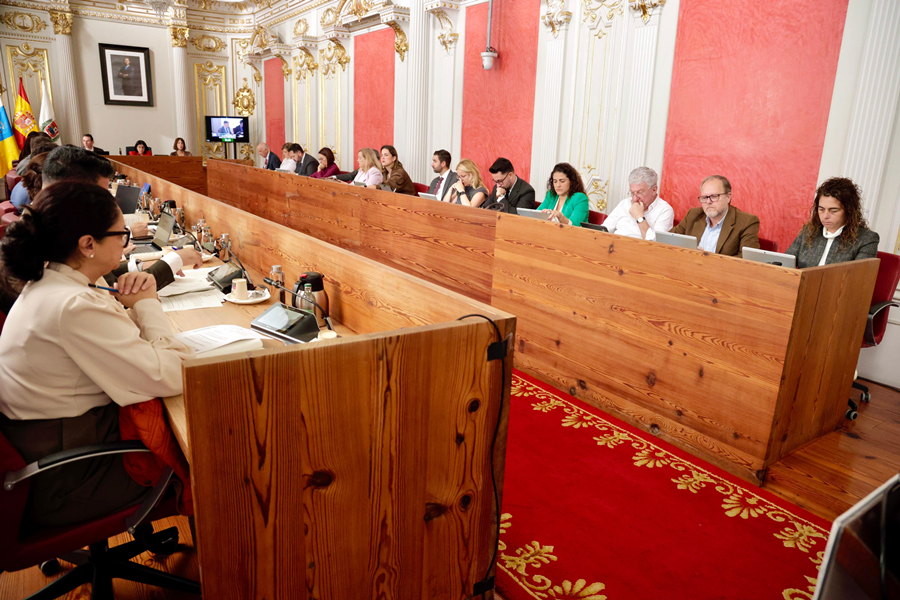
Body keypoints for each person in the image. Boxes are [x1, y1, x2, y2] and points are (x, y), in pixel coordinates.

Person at [0, 182, 194, 528]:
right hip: (67, 477)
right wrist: (149, 306)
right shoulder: (72, 305)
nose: (127, 241)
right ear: (88, 244)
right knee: (215, 452)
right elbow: (172, 375)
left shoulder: (53, 282)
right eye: (120, 234)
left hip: (54, 447)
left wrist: (138, 304)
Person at [41, 146, 200, 291]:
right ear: (74, 194)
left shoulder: (52, 222)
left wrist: (142, 265)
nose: (107, 203)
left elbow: (107, 276)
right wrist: (173, 260)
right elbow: (113, 290)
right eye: (102, 195)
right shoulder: (57, 238)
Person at [785, 177, 879, 268]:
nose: (825, 216)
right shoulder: (808, 231)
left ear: (849, 210)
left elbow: (858, 279)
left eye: (833, 210)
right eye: (821, 209)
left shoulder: (866, 239)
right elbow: (785, 264)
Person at [670, 175, 759, 255]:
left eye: (714, 196)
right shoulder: (693, 215)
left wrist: (709, 260)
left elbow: (748, 260)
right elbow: (667, 240)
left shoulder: (747, 222)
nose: (708, 201)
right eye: (704, 197)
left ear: (728, 197)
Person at [605, 167, 674, 240]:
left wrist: (639, 217)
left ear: (654, 190)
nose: (634, 199)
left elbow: (657, 244)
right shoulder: (624, 203)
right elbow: (604, 230)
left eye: (640, 193)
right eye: (632, 193)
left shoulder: (665, 210)